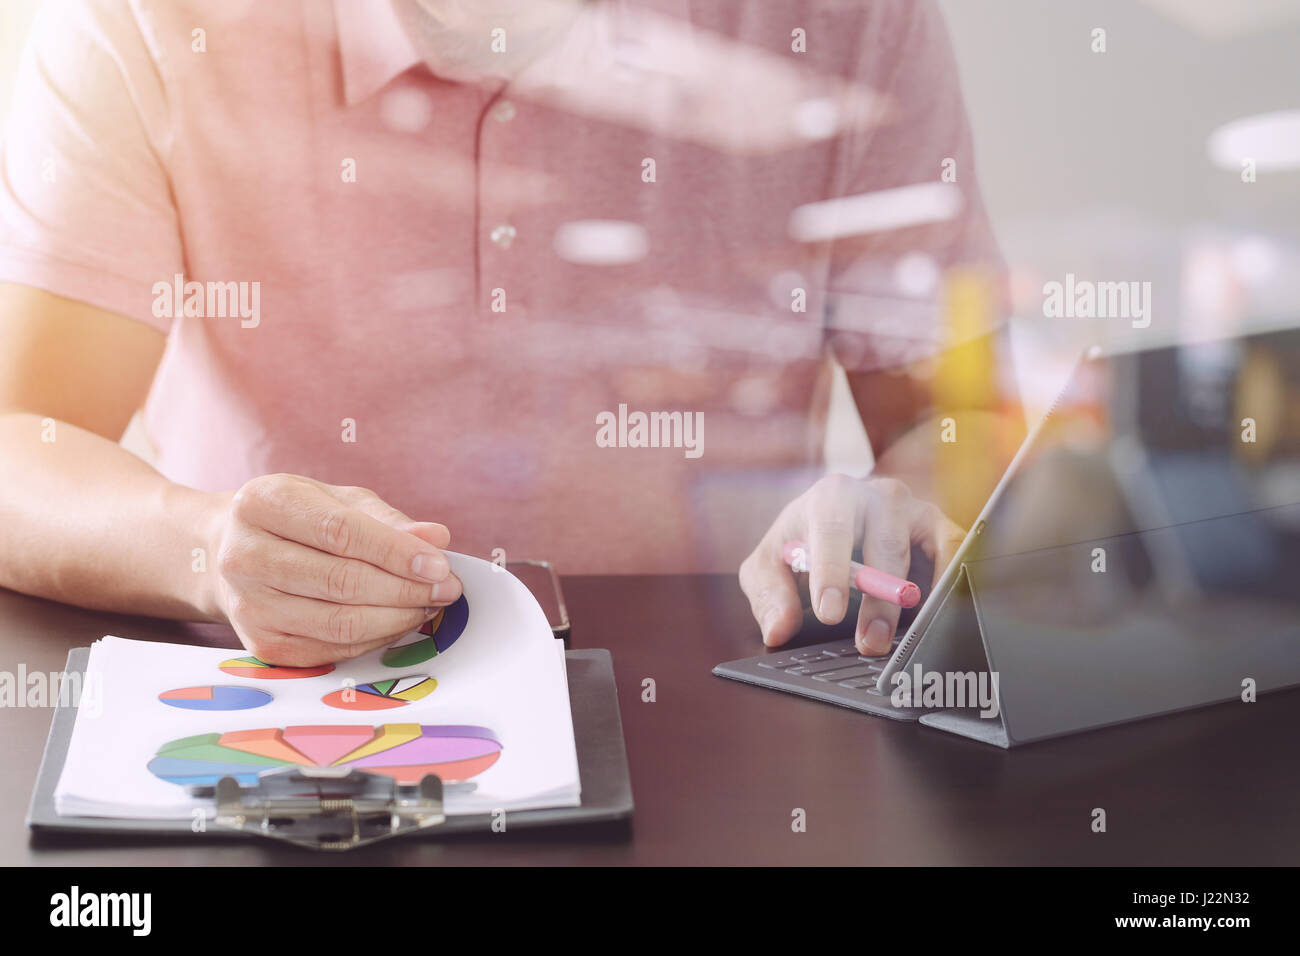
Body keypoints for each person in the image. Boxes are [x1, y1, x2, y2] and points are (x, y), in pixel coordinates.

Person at [0, 0, 1021, 666]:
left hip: (741, 699)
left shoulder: (849, 19)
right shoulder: (143, 21)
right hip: (286, 717)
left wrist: (907, 500)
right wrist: (202, 546)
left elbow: (964, 418)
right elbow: (19, 446)